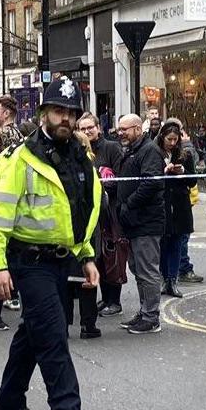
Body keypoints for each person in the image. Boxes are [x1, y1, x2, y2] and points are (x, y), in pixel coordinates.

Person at [0, 78, 100, 410]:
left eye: (71, 112)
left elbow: (77, 213)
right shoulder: (20, 158)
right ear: (43, 114)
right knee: (53, 337)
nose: (64, 118)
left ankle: (9, 401)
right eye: (58, 111)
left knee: (34, 332)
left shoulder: (80, 159)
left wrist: (85, 255)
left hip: (60, 259)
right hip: (27, 260)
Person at [113, 113, 166, 334]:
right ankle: (145, 311)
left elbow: (151, 183)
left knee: (147, 270)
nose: (121, 133)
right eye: (119, 130)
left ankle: (151, 317)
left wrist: (128, 204)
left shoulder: (149, 150)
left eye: (125, 129)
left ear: (137, 129)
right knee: (137, 268)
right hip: (134, 221)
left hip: (146, 220)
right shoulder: (134, 150)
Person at [77, 112, 125, 332]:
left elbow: (120, 180)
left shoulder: (112, 148)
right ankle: (104, 299)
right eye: (83, 128)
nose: (87, 132)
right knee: (97, 258)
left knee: (112, 257)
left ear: (99, 127)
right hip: (91, 215)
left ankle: (114, 300)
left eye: (90, 127)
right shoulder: (80, 151)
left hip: (110, 212)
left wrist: (103, 189)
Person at [157, 120, 197, 299]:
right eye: (169, 139)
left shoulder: (185, 155)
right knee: (163, 244)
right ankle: (165, 278)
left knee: (177, 242)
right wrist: (164, 172)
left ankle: (172, 281)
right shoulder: (155, 153)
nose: (172, 143)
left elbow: (193, 181)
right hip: (162, 203)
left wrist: (183, 173)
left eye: (175, 139)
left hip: (180, 205)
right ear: (162, 137)